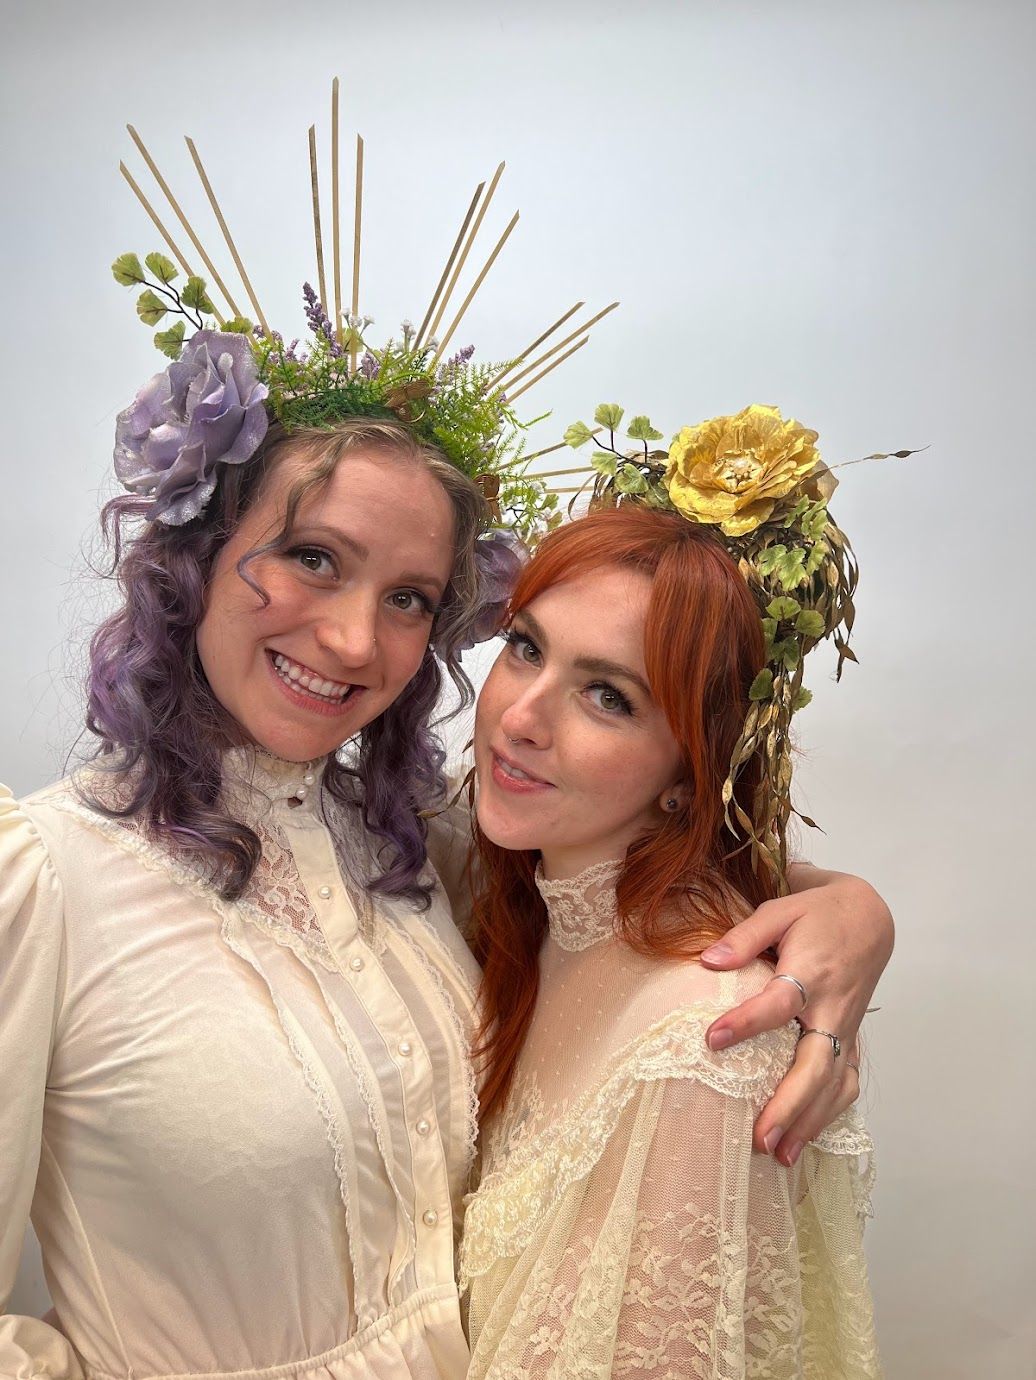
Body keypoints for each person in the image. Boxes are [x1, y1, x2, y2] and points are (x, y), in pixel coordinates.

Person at [1, 110, 892, 1380]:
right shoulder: (44, 882)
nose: (354, 640)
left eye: (411, 597)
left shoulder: (408, 851)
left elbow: (631, 870)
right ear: (198, 553)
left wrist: (854, 911)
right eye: (313, 557)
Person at [461, 437, 884, 1378]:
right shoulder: (510, 901)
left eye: (606, 697)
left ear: (695, 769)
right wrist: (857, 905)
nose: (520, 717)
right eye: (525, 648)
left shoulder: (704, 1047)